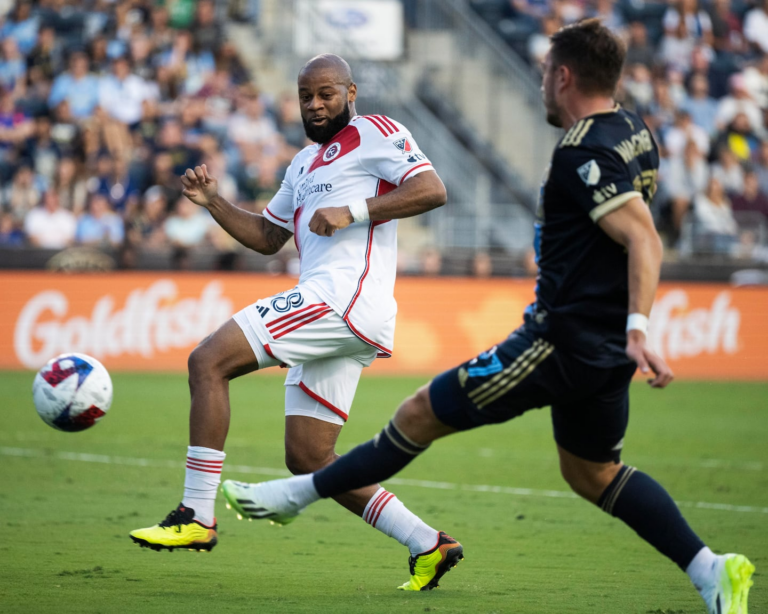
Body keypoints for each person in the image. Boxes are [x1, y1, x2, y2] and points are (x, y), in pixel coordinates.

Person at [229, 21, 755, 612]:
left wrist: (640, 328)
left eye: (544, 74)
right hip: (603, 346)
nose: (540, 85)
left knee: (419, 413)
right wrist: (627, 329)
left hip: (559, 339)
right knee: (593, 474)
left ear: (563, 77)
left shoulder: (580, 151)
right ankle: (711, 570)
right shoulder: (634, 132)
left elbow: (643, 236)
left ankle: (294, 497)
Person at [129, 54, 450, 587]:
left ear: (351, 93)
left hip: (341, 299)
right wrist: (214, 202)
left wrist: (353, 212)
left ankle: (195, 515)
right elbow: (267, 237)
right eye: (306, 96)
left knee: (208, 361)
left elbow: (432, 190)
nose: (315, 105)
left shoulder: (375, 131)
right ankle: (428, 543)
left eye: (326, 94)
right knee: (307, 456)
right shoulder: (302, 163)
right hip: (336, 310)